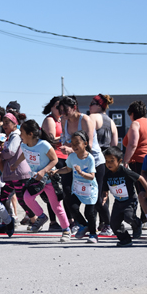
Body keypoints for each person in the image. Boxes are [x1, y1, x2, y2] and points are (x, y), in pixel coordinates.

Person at [13, 120, 71, 240]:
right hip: (36, 179)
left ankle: (66, 230)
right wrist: (16, 163)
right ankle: (41, 216)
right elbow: (25, 153)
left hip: (50, 179)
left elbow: (54, 160)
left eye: (22, 133)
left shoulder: (43, 145)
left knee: (56, 207)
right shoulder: (23, 144)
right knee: (27, 198)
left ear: (30, 134)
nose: (20, 135)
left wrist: (44, 171)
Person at [59, 96, 105, 237]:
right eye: (60, 110)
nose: (63, 113)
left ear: (74, 107)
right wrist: (62, 145)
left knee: (96, 199)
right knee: (70, 196)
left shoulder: (85, 120)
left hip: (94, 162)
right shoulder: (64, 120)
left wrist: (71, 149)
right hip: (76, 164)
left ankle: (105, 224)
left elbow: (89, 146)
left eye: (65, 110)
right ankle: (84, 224)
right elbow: (65, 139)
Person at [102, 146, 147, 247]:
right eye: (107, 161)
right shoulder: (107, 173)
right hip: (118, 202)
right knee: (114, 224)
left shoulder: (124, 171)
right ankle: (125, 239)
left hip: (130, 200)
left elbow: (141, 178)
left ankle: (137, 224)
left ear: (120, 161)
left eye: (112, 161)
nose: (109, 163)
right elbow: (105, 187)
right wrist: (105, 195)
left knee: (129, 217)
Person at [54, 131, 99, 243]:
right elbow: (68, 169)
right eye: (72, 143)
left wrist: (81, 173)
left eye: (77, 143)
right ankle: (84, 225)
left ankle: (93, 234)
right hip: (77, 189)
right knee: (72, 206)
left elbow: (92, 176)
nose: (74, 146)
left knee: (89, 213)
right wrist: (56, 171)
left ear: (85, 143)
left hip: (89, 189)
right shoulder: (72, 156)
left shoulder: (90, 159)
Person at [0, 110, 33, 231]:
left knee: (21, 199)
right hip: (12, 174)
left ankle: (35, 219)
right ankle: (9, 220)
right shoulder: (11, 136)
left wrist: (1, 154)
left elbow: (11, 151)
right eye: (3, 123)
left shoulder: (16, 136)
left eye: (7, 123)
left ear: (15, 124)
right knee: (2, 197)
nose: (4, 125)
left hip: (18, 173)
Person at [41, 96, 73, 231]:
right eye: (58, 106)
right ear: (52, 107)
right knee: (55, 190)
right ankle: (54, 222)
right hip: (54, 157)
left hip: (65, 156)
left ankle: (68, 219)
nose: (61, 109)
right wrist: (68, 137)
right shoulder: (50, 120)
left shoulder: (62, 120)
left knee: (66, 189)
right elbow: (52, 140)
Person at [89, 94, 118, 234]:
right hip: (108, 160)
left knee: (95, 193)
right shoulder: (111, 121)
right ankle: (104, 223)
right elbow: (114, 144)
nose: (90, 105)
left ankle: (104, 223)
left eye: (93, 103)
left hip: (95, 159)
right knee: (104, 192)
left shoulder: (93, 118)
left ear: (100, 105)